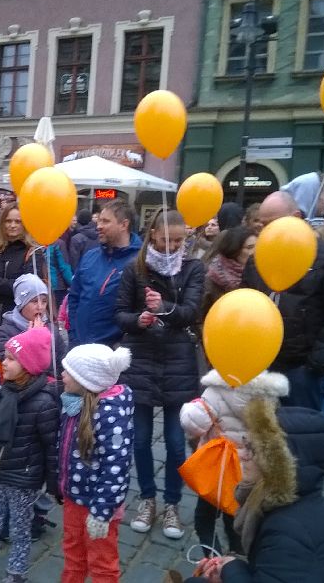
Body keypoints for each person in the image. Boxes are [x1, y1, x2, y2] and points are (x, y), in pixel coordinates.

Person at [187, 399, 324, 583]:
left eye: (251, 450)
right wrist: (232, 566)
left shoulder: (285, 532)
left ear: (276, 465)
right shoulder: (297, 506)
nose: (240, 454)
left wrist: (231, 568)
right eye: (244, 443)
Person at [115, 209, 204, 539]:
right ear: (152, 235)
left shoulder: (193, 267)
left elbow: (192, 312)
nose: (172, 247)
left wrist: (164, 307)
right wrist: (138, 319)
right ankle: (148, 498)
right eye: (167, 240)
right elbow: (120, 315)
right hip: (140, 358)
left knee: (175, 441)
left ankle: (172, 504)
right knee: (138, 439)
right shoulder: (134, 269)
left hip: (178, 360)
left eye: (179, 241)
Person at [242, 191, 324, 411]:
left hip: (303, 371)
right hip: (262, 365)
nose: (265, 231)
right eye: (261, 225)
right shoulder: (257, 259)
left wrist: (316, 366)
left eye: (272, 223)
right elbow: (246, 303)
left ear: (296, 216)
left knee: (300, 436)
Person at [0, 327, 59, 583]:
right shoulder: (4, 391)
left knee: (20, 529)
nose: (3, 362)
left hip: (23, 479)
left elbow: (52, 446)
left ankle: (16, 573)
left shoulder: (44, 402)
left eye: (10, 358)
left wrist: (54, 484)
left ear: (28, 365)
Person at [180, 369, 289, 557]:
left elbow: (193, 424)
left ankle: (214, 562)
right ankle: (235, 560)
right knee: (236, 519)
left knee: (204, 520)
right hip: (247, 473)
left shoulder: (215, 392)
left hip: (218, 472)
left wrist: (190, 410)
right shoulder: (269, 394)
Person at [59, 344, 133, 583]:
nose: (62, 375)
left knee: (102, 563)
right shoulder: (74, 401)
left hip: (98, 506)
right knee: (73, 553)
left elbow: (116, 468)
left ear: (86, 380)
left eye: (68, 372)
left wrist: (101, 513)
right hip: (73, 496)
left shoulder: (110, 414)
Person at [0, 203, 44, 362]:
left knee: (14, 377)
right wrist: (9, 289)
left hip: (17, 331)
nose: (12, 225)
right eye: (8, 221)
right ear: (2, 223)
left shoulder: (32, 253)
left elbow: (27, 293)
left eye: (17, 221)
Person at [68, 199, 142, 347]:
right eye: (99, 221)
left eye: (105, 221)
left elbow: (140, 311)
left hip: (112, 354)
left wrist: (121, 345)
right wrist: (74, 336)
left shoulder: (140, 263)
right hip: (79, 349)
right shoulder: (90, 256)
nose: (99, 226)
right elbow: (75, 297)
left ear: (124, 225)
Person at [0, 274, 65, 374]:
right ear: (21, 304)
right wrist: (33, 337)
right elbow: (11, 368)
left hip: (51, 385)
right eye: (34, 301)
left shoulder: (51, 329)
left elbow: (61, 363)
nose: (40, 307)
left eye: (44, 301)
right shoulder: (6, 331)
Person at [200, 226, 257, 318]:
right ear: (235, 250)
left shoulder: (260, 276)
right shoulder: (213, 278)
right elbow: (201, 317)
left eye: (258, 245)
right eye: (250, 247)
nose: (255, 251)